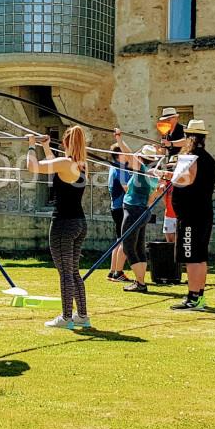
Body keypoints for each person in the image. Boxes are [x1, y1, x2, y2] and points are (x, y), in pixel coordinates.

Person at [27, 127, 90, 330]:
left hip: (64, 223)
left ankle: (66, 317)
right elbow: (55, 166)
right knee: (73, 272)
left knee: (65, 273)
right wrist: (45, 146)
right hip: (79, 223)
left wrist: (30, 145)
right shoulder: (82, 165)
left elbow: (33, 167)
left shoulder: (65, 163)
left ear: (65, 143)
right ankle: (82, 315)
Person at [165, 119, 215, 310]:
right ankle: (198, 295)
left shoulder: (191, 158)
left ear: (188, 138)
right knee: (200, 257)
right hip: (203, 212)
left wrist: (169, 177)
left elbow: (187, 180)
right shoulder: (209, 159)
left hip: (190, 214)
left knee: (192, 257)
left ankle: (193, 297)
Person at [120, 144, 161, 294]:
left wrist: (119, 139)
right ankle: (140, 281)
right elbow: (152, 197)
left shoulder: (141, 170)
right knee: (138, 247)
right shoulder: (154, 175)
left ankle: (141, 282)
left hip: (133, 211)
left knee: (128, 247)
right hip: (143, 211)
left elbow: (128, 155)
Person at [156, 107, 186, 245]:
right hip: (169, 169)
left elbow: (187, 142)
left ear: (176, 118)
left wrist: (171, 144)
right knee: (166, 195)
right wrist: (161, 148)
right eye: (165, 119)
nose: (167, 121)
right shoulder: (166, 132)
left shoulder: (183, 130)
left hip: (181, 169)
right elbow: (163, 152)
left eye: (169, 119)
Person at [105, 130, 131, 282]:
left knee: (119, 239)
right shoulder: (120, 168)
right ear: (119, 155)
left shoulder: (113, 167)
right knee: (124, 240)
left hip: (115, 207)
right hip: (121, 207)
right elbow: (125, 186)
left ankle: (112, 270)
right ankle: (118, 272)